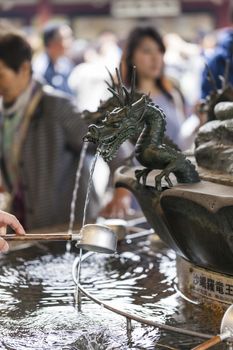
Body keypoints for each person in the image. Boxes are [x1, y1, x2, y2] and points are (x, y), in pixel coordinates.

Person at [0, 30, 132, 230]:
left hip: (68, 229)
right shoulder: (4, 113)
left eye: (1, 75)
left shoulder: (56, 107)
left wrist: (122, 193)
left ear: (24, 69)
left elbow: (111, 139)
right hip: (28, 229)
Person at [121, 26, 187, 150]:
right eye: (147, 51)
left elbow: (182, 141)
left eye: (159, 51)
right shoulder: (123, 101)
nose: (155, 58)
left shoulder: (172, 95)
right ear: (131, 57)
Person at [33, 22, 74, 95]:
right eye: (65, 38)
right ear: (51, 43)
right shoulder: (40, 67)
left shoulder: (66, 63)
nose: (70, 42)